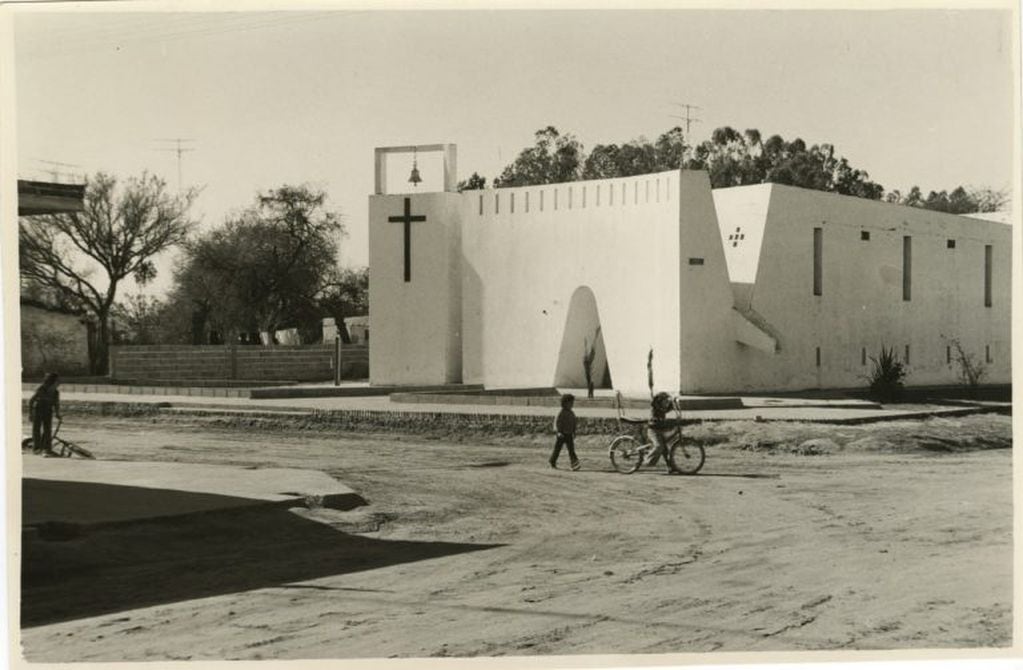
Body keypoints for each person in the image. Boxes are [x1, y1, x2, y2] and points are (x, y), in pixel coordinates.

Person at [646, 391, 679, 474]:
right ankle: (647, 460)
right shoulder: (655, 409)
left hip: (659, 430)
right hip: (653, 431)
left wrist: (674, 401)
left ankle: (671, 467)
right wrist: (669, 423)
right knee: (659, 446)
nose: (666, 403)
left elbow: (670, 407)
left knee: (665, 450)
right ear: (660, 401)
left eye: (667, 401)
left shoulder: (663, 408)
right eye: (665, 401)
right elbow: (656, 421)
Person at [29, 372, 61, 455]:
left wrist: (57, 414)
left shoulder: (56, 392)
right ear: (51, 381)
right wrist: (30, 414)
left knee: (47, 430)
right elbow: (31, 401)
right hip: (38, 410)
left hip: (48, 411)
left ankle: (46, 448)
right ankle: (36, 448)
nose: (59, 383)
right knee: (36, 429)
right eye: (57, 381)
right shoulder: (41, 389)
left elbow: (56, 404)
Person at [549, 393, 580, 471]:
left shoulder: (571, 413)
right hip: (561, 435)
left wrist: (574, 431)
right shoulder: (561, 413)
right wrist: (558, 432)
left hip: (569, 434)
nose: (572, 404)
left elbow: (574, 423)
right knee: (557, 449)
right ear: (564, 403)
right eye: (570, 403)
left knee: (571, 450)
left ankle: (574, 464)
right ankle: (552, 461)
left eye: (572, 403)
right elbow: (556, 423)